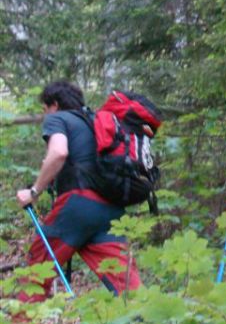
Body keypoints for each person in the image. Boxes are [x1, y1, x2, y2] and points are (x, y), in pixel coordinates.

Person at [14, 81, 141, 302]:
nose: (45, 114)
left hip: (79, 204)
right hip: (110, 208)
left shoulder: (58, 118)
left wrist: (33, 192)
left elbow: (58, 153)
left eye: (45, 109)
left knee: (38, 267)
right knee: (125, 280)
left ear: (54, 104)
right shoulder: (96, 123)